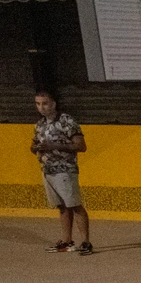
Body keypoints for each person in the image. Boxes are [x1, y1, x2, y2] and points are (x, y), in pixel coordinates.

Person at [32, 91, 91, 256]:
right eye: (38, 104)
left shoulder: (67, 121)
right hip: (48, 170)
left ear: (53, 104)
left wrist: (54, 146)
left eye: (45, 103)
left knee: (75, 204)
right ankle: (67, 240)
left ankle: (86, 241)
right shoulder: (40, 124)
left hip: (65, 169)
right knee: (62, 206)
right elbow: (34, 143)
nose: (41, 107)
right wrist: (36, 148)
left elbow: (81, 146)